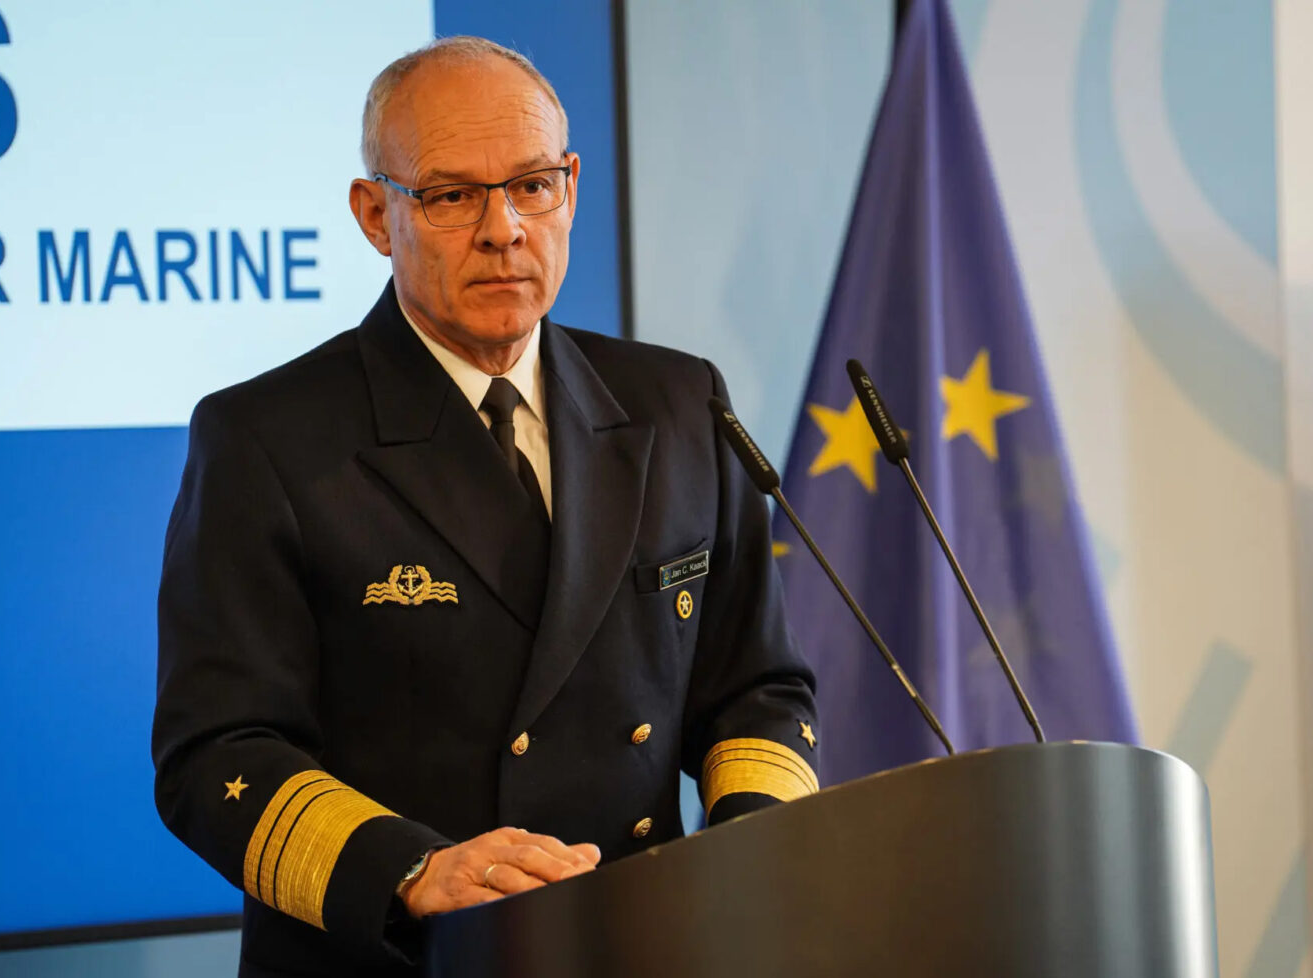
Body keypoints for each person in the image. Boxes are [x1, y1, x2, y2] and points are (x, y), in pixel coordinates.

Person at [151, 36, 819, 978]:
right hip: (404, 956)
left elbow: (758, 686)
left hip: (639, 941)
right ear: (375, 215)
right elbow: (214, 754)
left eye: (533, 185)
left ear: (571, 187)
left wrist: (752, 845)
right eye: (451, 195)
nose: (504, 228)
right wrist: (412, 870)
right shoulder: (265, 438)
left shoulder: (678, 404)